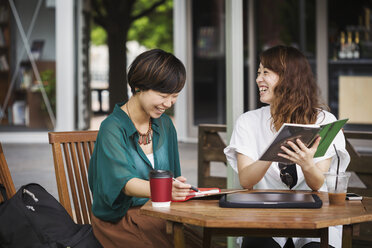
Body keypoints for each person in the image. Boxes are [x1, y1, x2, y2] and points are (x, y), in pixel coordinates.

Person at [224, 45, 350, 248]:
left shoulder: (325, 120)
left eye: (266, 72)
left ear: (289, 78)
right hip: (265, 217)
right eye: (258, 73)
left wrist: (307, 164)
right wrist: (273, 151)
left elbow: (318, 184)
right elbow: (246, 180)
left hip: (316, 218)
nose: (258, 79)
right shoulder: (248, 121)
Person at [88, 49, 200, 248]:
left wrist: (177, 187)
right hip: (120, 220)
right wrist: (165, 190)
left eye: (174, 96)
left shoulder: (165, 125)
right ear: (138, 86)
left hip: (159, 214)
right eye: (163, 95)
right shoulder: (112, 128)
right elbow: (124, 182)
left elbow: (173, 176)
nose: (168, 103)